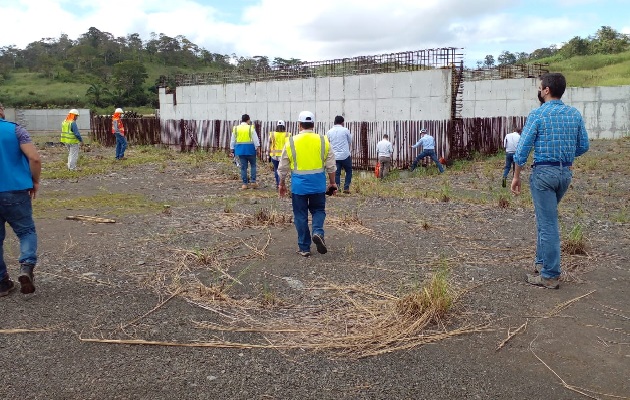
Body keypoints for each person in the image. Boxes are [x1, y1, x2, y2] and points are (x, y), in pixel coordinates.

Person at [512, 73, 589, 290]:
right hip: (564, 174)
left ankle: (550, 275)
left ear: (546, 90)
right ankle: (541, 262)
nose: (539, 90)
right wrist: (565, 156)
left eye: (540, 87)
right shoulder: (574, 114)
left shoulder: (537, 115)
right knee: (546, 219)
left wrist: (516, 176)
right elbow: (584, 145)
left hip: (544, 174)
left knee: (548, 224)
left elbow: (522, 150)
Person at [278, 111, 337, 257]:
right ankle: (317, 232)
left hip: (299, 186)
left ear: (299, 125)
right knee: (318, 210)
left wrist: (282, 184)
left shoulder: (291, 141)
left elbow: (283, 167)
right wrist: (332, 183)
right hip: (318, 185)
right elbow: (331, 165)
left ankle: (304, 248)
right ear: (313, 124)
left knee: (300, 215)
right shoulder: (323, 140)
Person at [0, 102, 41, 296]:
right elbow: (34, 158)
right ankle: (26, 267)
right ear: (1, 111)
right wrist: (35, 181)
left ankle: (2, 283)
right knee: (26, 231)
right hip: (15, 191)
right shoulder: (16, 130)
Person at [230, 114, 260, 190]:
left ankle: (244, 184)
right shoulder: (251, 128)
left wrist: (232, 149)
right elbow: (255, 139)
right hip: (250, 150)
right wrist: (257, 147)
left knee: (243, 167)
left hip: (240, 150)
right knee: (253, 165)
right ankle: (253, 182)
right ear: (248, 120)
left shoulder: (236, 128)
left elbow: (232, 140)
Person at [326, 115, 352, 194]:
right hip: (345, 155)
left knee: (336, 173)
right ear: (342, 122)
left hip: (335, 156)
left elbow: (327, 143)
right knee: (349, 171)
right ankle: (346, 187)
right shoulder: (345, 130)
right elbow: (350, 141)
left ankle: (337, 188)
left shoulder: (329, 131)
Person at [268, 120, 291, 189]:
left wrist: (268, 153)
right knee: (282, 170)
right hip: (284, 156)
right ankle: (281, 183)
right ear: (284, 126)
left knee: (276, 169)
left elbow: (269, 143)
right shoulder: (288, 134)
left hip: (274, 156)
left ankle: (278, 184)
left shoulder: (272, 134)